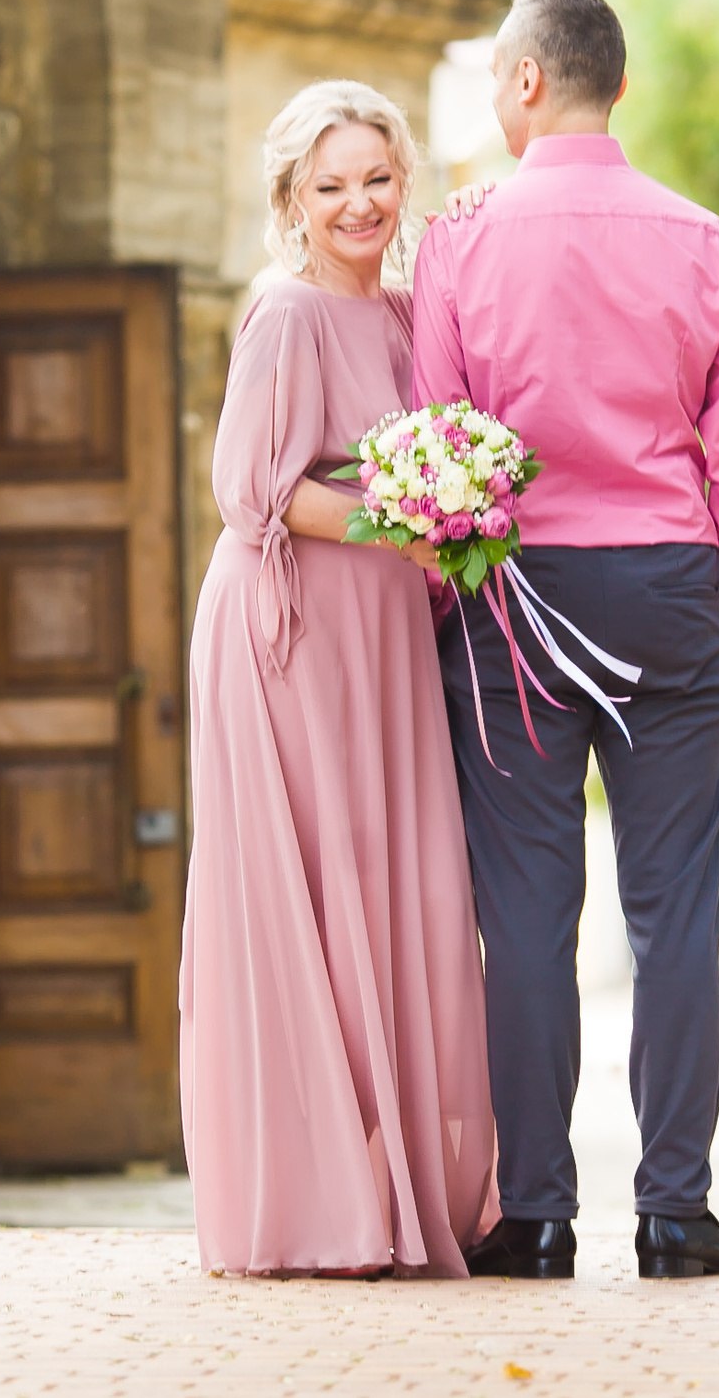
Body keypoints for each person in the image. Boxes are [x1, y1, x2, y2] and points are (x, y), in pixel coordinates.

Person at [414, 0, 719, 1281]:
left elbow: (436, 436)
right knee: (677, 903)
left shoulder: (459, 243)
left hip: (516, 593)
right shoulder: (706, 242)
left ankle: (537, 1212)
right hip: (670, 590)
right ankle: (676, 1211)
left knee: (525, 911)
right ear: (615, 88)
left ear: (523, 84)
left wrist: (448, 590)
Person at [179, 80, 497, 1279]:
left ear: (400, 183)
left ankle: (402, 1188)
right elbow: (251, 492)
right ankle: (314, 1205)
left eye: (375, 179)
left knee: (398, 886)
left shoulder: (415, 314)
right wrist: (400, 522)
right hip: (292, 636)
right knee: (317, 889)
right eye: (330, 187)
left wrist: (449, 513)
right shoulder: (285, 313)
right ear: (290, 203)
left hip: (385, 637)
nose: (356, 204)